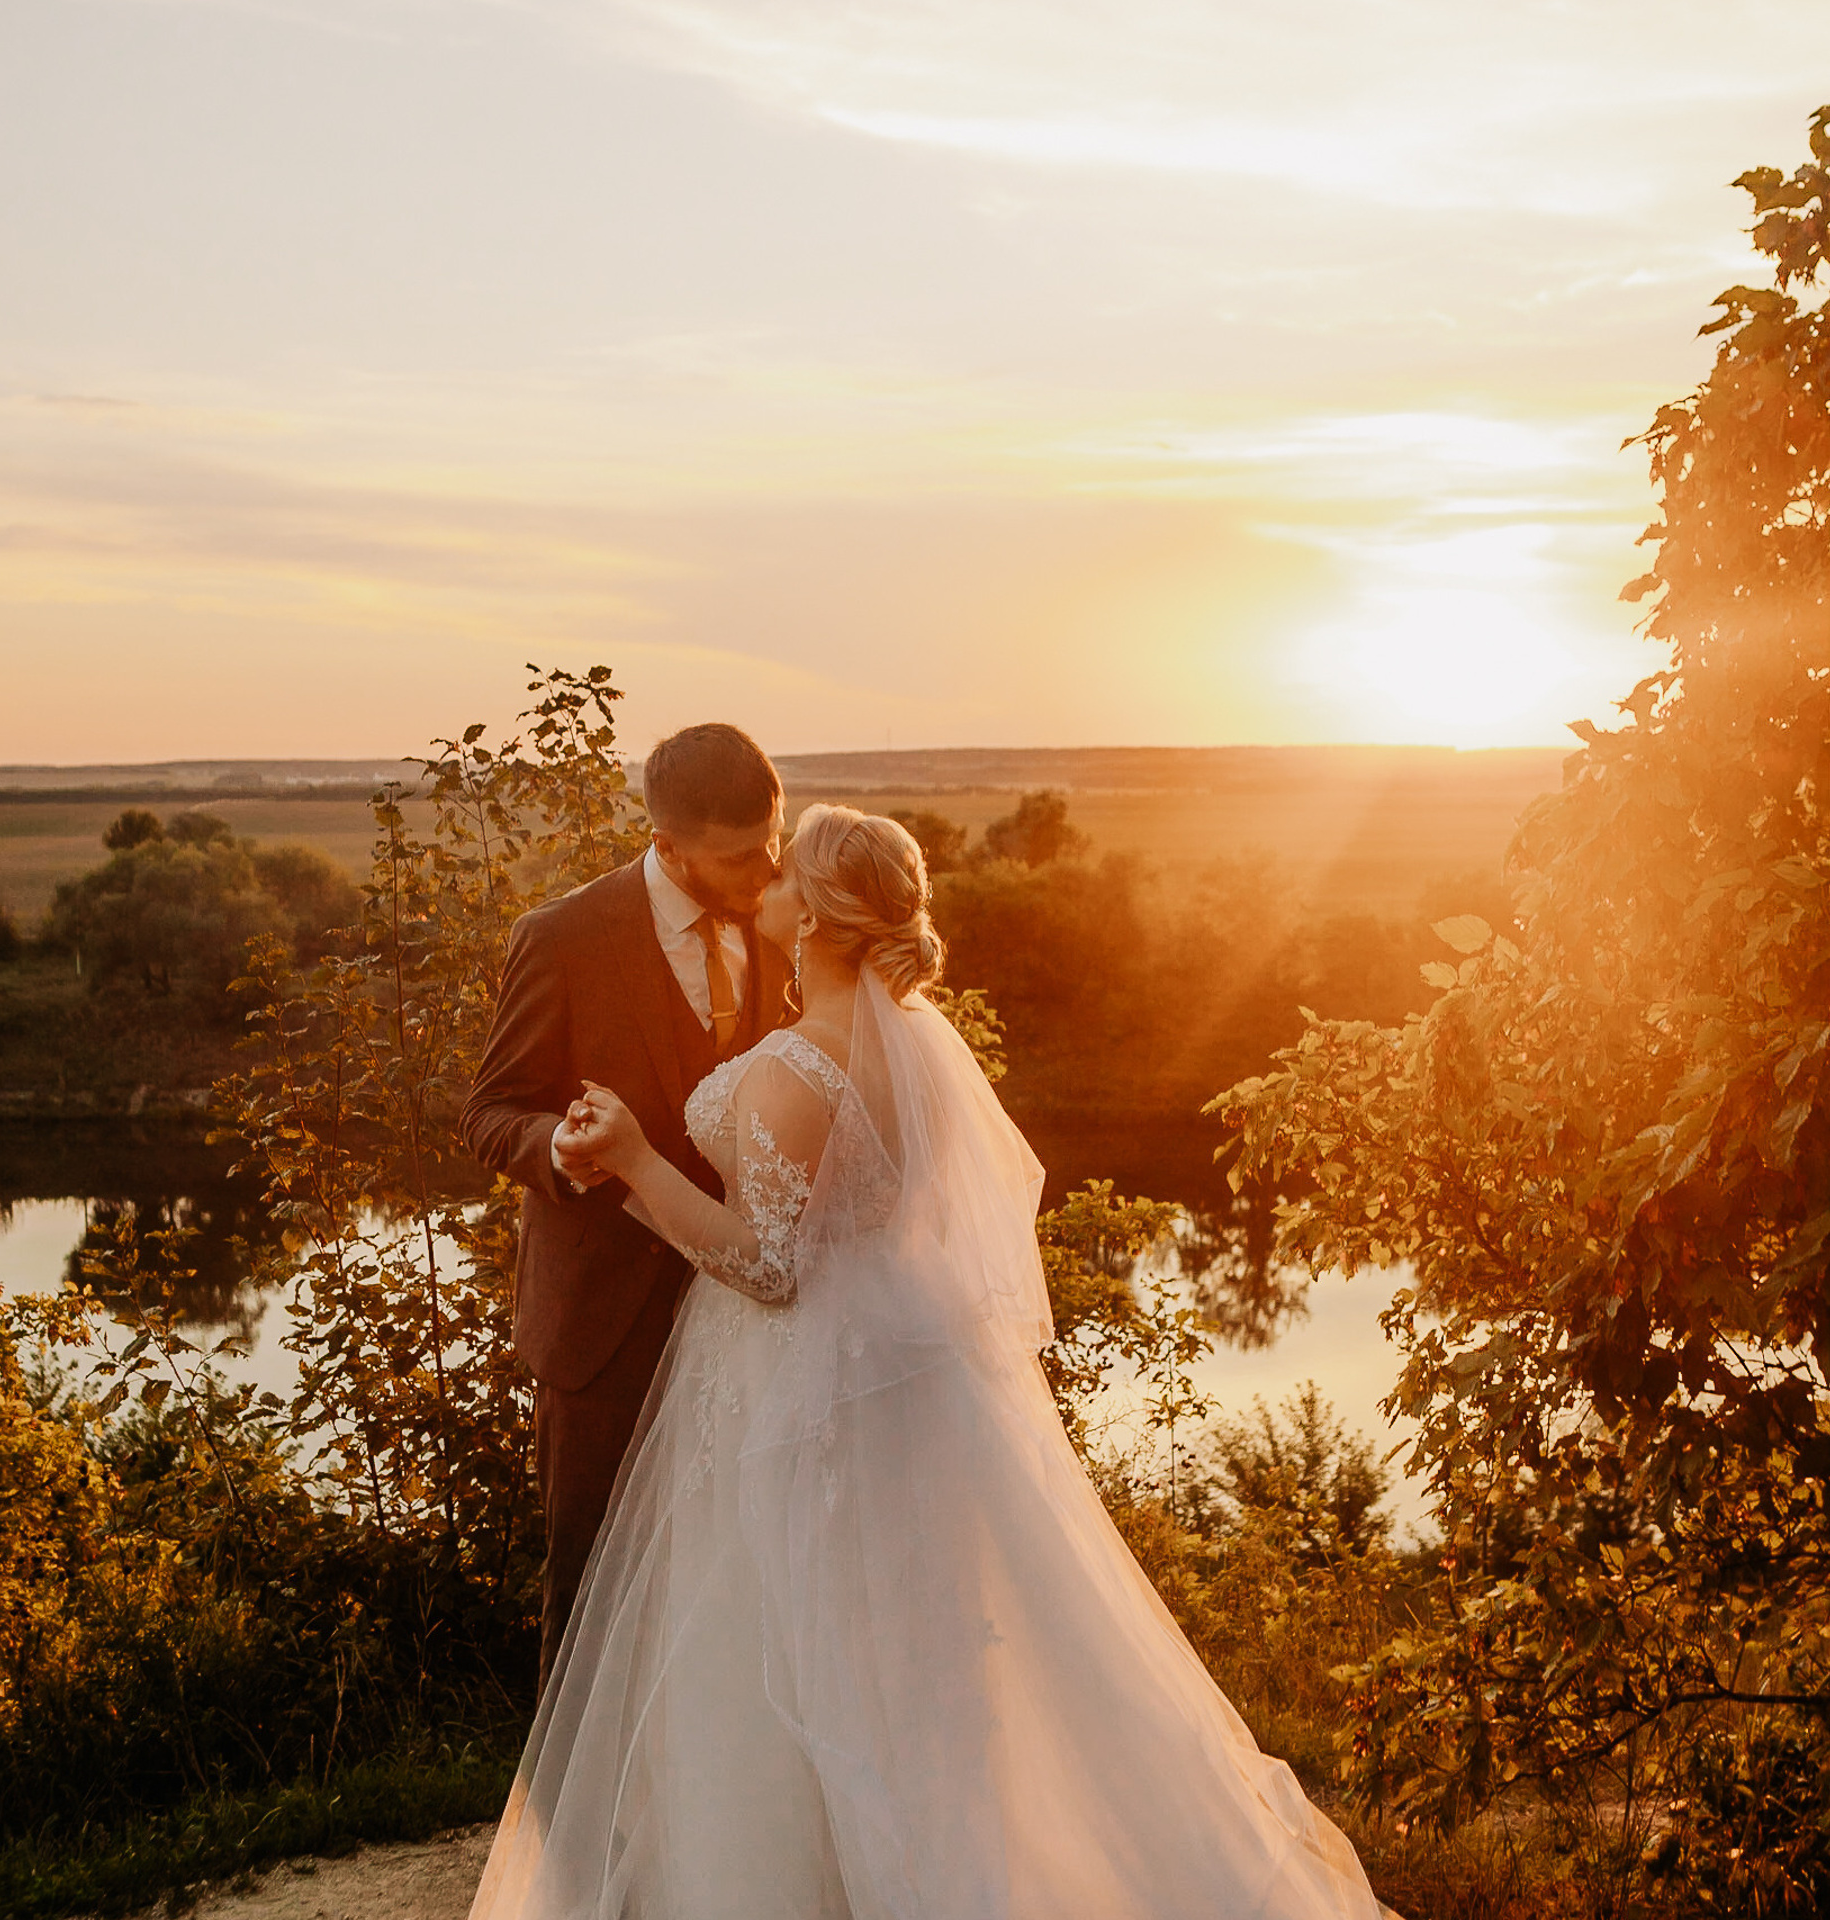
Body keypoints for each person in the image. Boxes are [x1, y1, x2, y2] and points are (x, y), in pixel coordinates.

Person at [469, 804, 1394, 1920]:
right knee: (897, 1652)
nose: (761, 881)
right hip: (892, 1379)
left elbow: (762, 1265)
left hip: (792, 1380)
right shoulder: (914, 1049)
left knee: (783, 1645)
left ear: (810, 913)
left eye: (781, 872)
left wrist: (626, 1161)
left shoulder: (804, 1066)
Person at [459, 723, 794, 1689]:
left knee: (732, 1592)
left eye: (774, 839)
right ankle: (568, 1835)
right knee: (594, 1598)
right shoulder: (562, 938)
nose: (767, 868)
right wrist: (556, 1154)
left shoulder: (781, 923)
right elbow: (489, 1111)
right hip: (598, 1328)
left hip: (743, 1321)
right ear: (669, 844)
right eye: (741, 855)